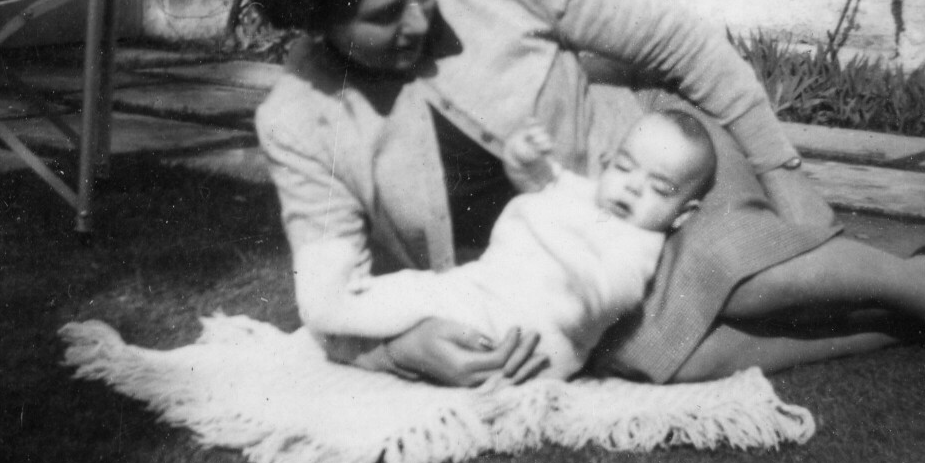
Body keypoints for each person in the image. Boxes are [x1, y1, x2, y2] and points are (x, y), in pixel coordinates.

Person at [247, 0, 925, 386]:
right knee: (672, 357)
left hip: (660, 167)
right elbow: (332, 299)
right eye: (388, 12)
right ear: (320, 20)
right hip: (553, 276)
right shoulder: (300, 118)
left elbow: (679, 42)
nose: (423, 18)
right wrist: (398, 349)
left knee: (728, 268)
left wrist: (785, 174)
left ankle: (918, 288)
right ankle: (895, 319)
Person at [296, 110, 718, 382]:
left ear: (682, 213)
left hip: (527, 329)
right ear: (609, 163)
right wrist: (526, 158)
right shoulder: (586, 193)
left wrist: (588, 288)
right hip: (493, 291)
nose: (633, 186)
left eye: (659, 188)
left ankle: (333, 315)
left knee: (417, 297)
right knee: (421, 293)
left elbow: (618, 289)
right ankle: (338, 316)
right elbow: (546, 181)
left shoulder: (636, 241)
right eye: (625, 167)